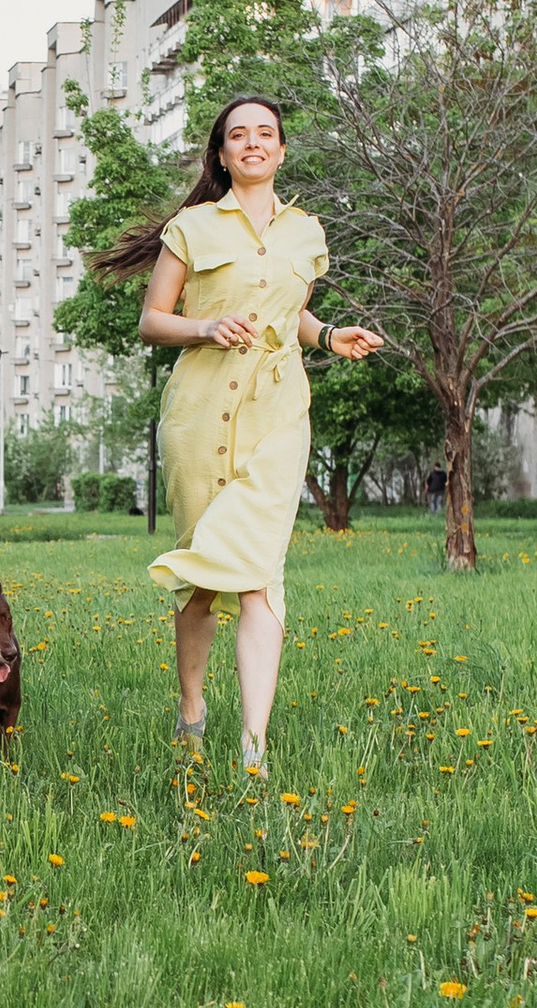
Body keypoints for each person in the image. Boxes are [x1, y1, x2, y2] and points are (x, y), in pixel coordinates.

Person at [97, 94, 382, 775]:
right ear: (222, 155)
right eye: (238, 135)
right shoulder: (192, 227)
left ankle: (254, 747)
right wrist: (205, 326)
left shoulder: (307, 234)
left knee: (259, 576)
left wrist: (329, 334)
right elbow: (152, 320)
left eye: (265, 134)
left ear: (282, 150)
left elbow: (295, 313)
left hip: (278, 414)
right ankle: (191, 710)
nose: (253, 143)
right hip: (199, 415)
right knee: (202, 584)